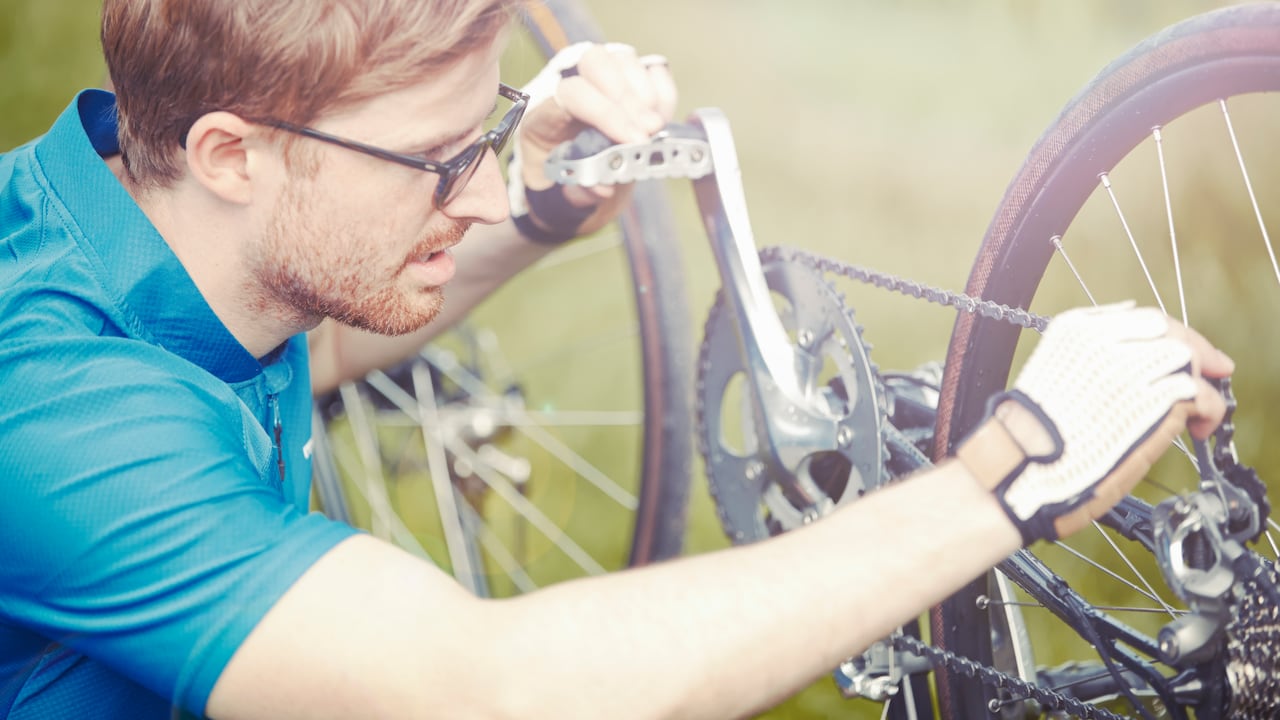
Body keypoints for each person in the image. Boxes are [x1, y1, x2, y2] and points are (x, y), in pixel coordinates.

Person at [0, 0, 1234, 718]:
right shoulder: (52, 412)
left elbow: (285, 342)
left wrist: (536, 200)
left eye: (489, 129)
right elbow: (479, 692)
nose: (479, 193)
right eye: (442, 160)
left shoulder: (165, 229)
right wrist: (1002, 479)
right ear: (231, 154)